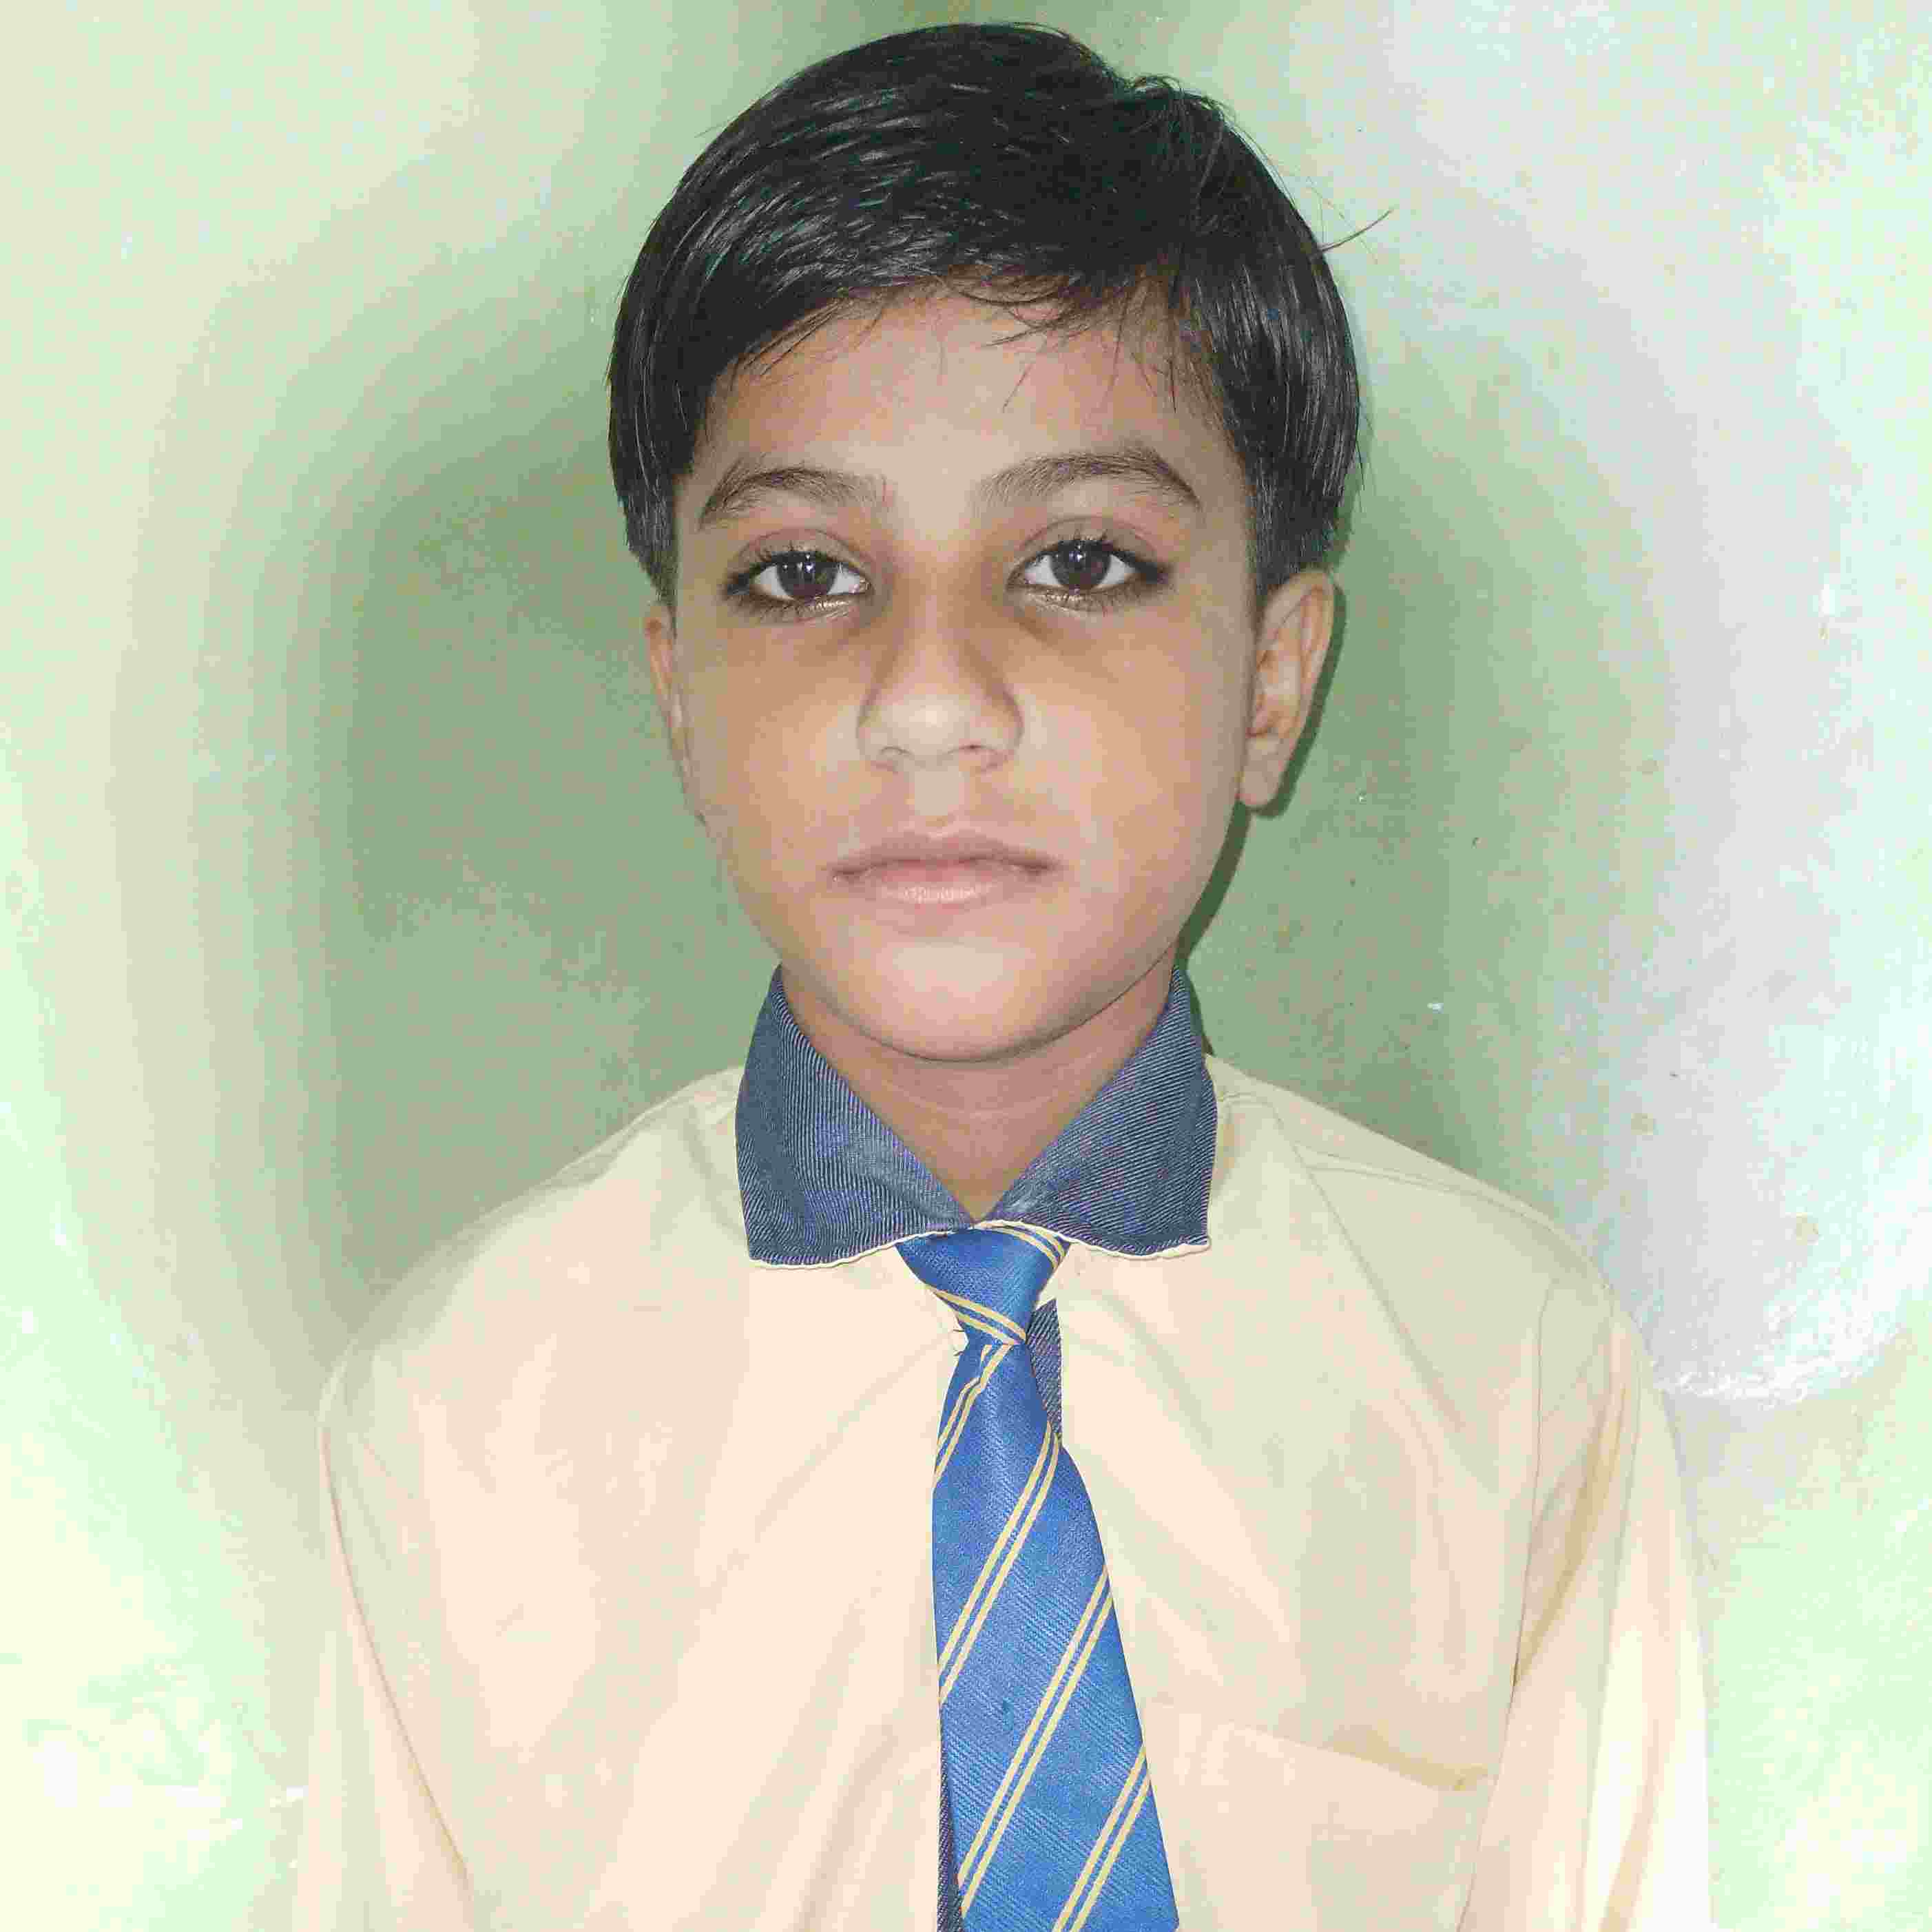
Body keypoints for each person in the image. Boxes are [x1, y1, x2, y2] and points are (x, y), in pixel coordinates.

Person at [293, 22, 1710, 1930]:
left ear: (1272, 683)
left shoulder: (1509, 1372)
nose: (930, 699)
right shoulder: (462, 1409)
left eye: (1082, 563)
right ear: (678, 699)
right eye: (804, 573)